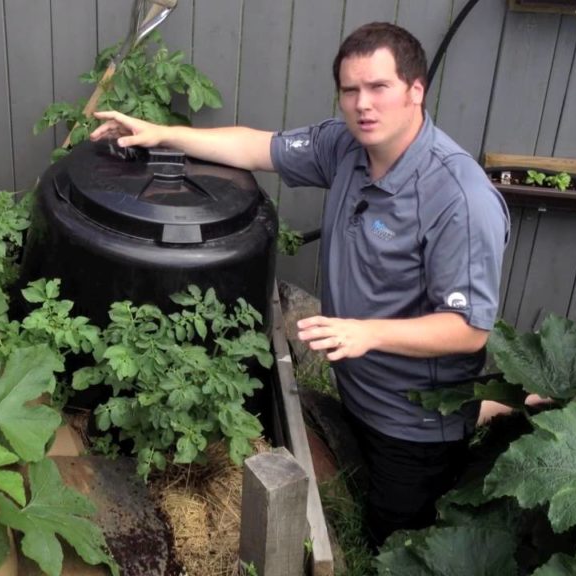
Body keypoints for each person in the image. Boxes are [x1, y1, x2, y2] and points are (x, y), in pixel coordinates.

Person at [90, 22, 509, 547]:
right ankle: (489, 412)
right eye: (350, 90)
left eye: (378, 87)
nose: (362, 104)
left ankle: (486, 421)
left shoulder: (458, 199)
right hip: (360, 390)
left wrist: (368, 333)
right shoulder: (346, 147)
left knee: (389, 544)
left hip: (414, 421)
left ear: (415, 90)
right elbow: (258, 147)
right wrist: (161, 133)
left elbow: (469, 329)